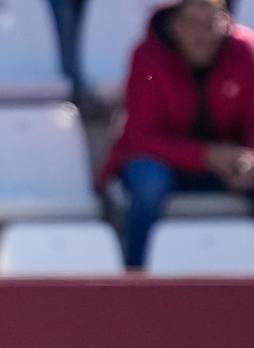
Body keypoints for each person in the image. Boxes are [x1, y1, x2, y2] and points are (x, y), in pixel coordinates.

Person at [99, 0, 254, 268]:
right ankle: (135, 278)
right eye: (191, 24)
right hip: (160, 163)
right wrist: (206, 156)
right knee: (149, 182)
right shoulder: (147, 56)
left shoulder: (246, 52)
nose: (201, 35)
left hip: (224, 166)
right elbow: (140, 137)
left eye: (210, 23)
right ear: (173, 25)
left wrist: (249, 161)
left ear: (226, 21)